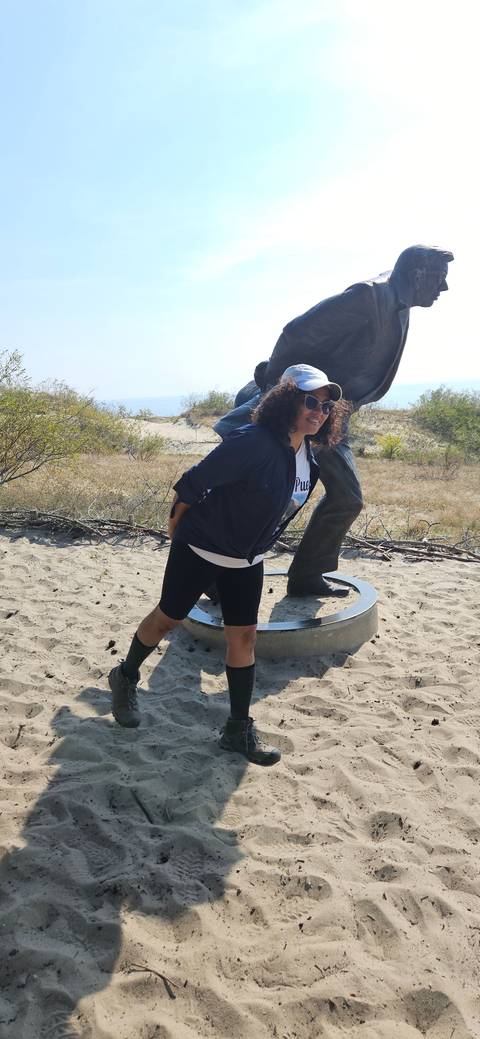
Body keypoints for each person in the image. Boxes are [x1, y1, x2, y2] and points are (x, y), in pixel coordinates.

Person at [107, 364, 342, 766]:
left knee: (244, 636)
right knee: (168, 618)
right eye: (308, 400)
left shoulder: (308, 457)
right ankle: (125, 676)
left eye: (325, 405)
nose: (317, 411)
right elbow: (193, 481)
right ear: (286, 400)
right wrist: (177, 527)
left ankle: (236, 729)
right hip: (200, 548)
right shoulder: (253, 441)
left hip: (247, 558)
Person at [215, 244, 454, 597]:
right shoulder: (368, 297)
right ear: (417, 274)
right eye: (439, 278)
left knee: (346, 498)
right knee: (270, 497)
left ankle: (307, 575)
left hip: (330, 417)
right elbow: (295, 334)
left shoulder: (399, 307)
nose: (443, 288)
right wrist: (278, 392)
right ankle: (219, 576)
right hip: (302, 409)